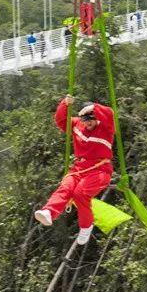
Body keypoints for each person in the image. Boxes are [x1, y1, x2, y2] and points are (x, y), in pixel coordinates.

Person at [34, 95, 115, 245]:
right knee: (66, 187)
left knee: (80, 193)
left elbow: (110, 113)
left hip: (100, 169)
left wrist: (94, 107)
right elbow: (61, 121)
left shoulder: (106, 127)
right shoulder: (78, 125)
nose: (88, 123)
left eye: (91, 119)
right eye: (86, 120)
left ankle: (86, 227)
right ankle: (49, 212)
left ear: (97, 117)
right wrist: (64, 104)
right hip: (79, 168)